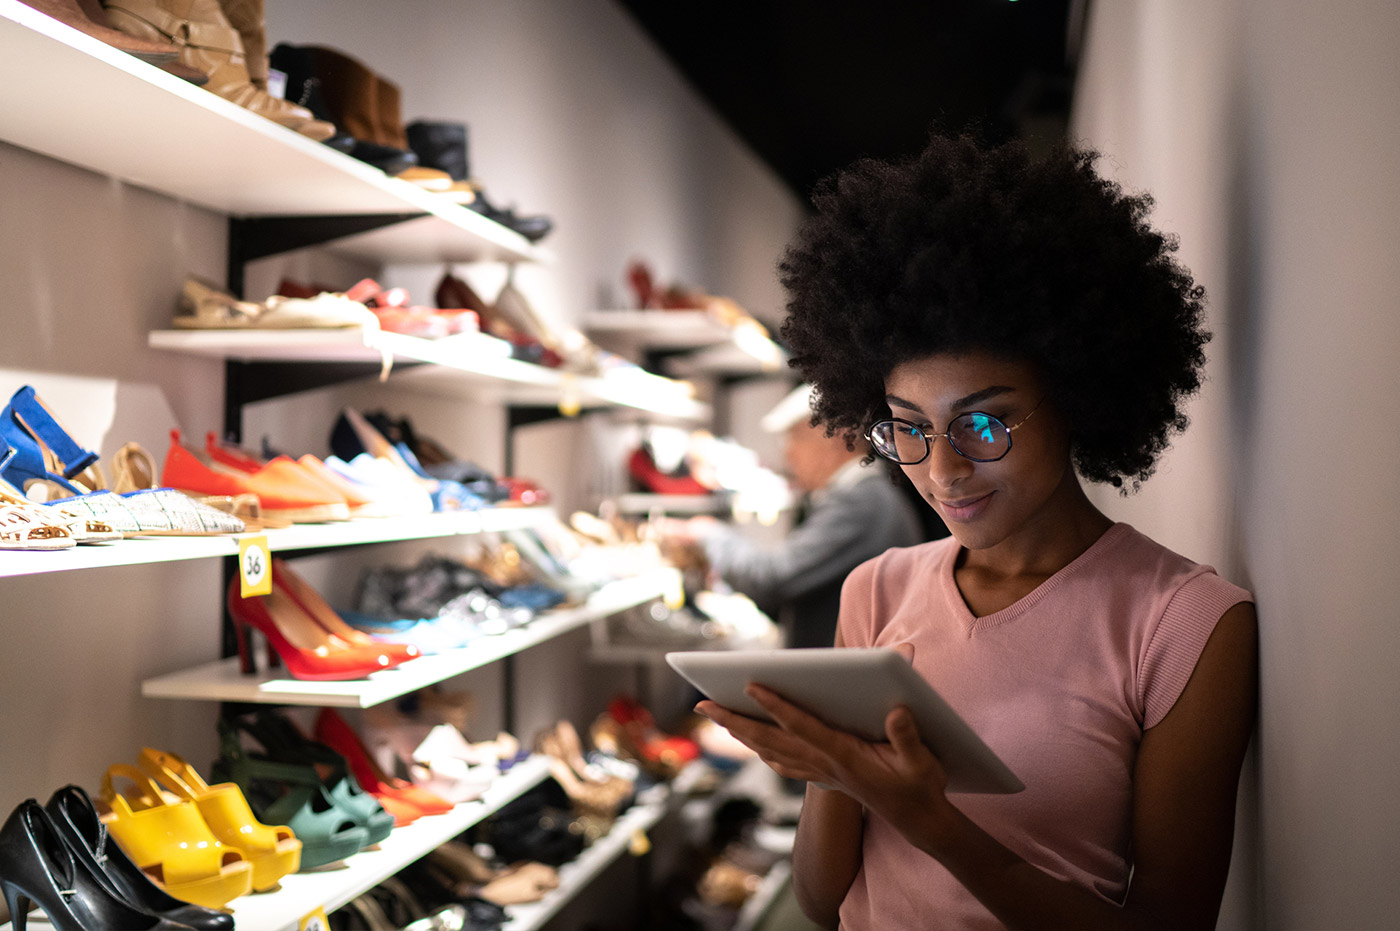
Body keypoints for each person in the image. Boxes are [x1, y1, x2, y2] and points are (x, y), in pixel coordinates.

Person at [694, 135, 1258, 931]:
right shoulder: (878, 588)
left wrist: (931, 821)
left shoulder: (1185, 623)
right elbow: (825, 903)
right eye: (909, 429)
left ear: (1078, 394)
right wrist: (835, 769)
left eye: (984, 421)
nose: (945, 469)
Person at [662, 383, 926, 649]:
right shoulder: (866, 497)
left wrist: (708, 534)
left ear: (837, 437)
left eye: (795, 438)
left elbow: (771, 579)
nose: (787, 453)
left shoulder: (861, 503)